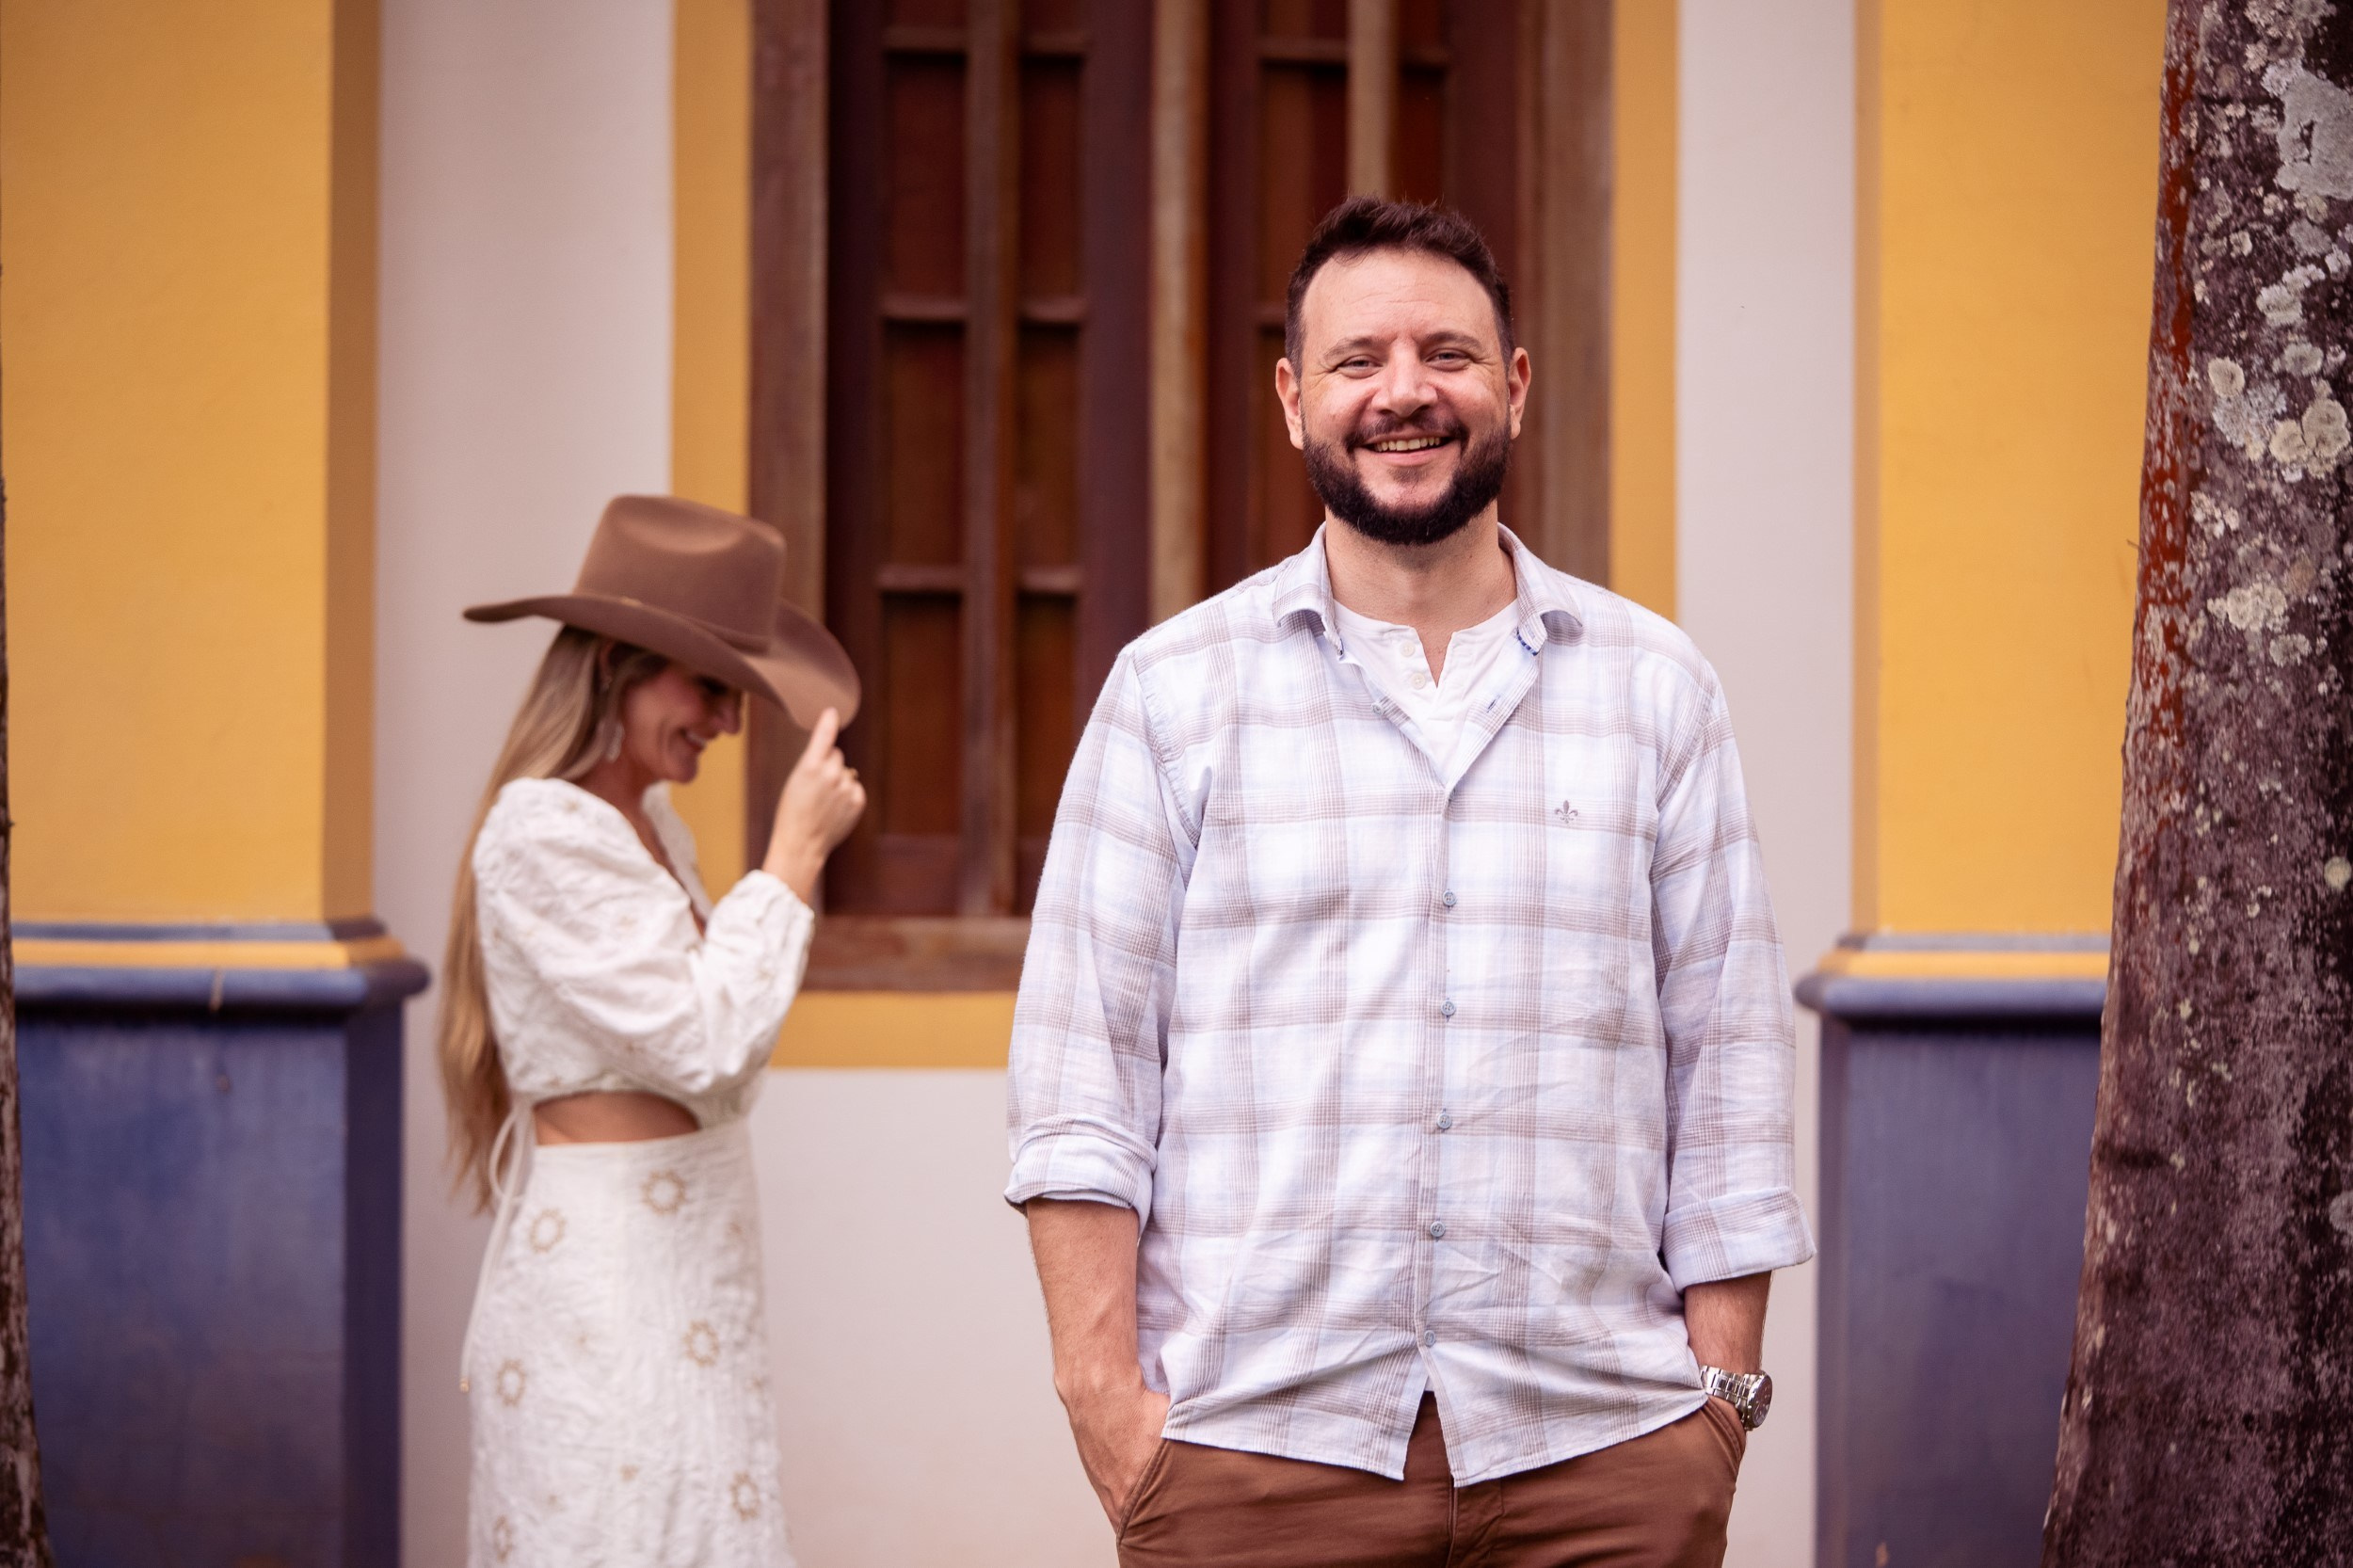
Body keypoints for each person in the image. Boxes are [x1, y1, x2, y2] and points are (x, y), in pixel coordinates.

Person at [1006, 198, 1814, 1567]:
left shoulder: (1656, 690)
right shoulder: (1171, 694)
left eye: (1446, 352)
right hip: (1253, 1460)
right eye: (1356, 358)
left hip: (1604, 1461)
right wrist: (1111, 1415)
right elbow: (1082, 1082)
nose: (1403, 392)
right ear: (1291, 397)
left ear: (1513, 386)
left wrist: (1716, 1407)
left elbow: (1728, 1066)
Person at [440, 495, 865, 1567]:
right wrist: (792, 862)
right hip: (606, 1277)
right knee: (613, 1532)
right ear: (618, 667)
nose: (727, 721)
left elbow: (720, 1065)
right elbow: (709, 1040)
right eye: (709, 686)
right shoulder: (540, 831)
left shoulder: (649, 827)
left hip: (681, 1257)